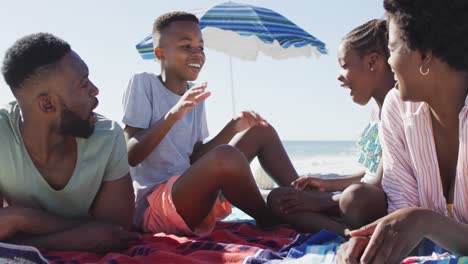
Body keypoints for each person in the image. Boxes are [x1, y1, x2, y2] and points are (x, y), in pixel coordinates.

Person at [122, 11, 299, 236]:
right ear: (160, 53)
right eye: (186, 46)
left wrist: (233, 127)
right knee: (226, 156)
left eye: (201, 47)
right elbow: (131, 155)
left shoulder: (192, 95)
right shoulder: (143, 83)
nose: (197, 54)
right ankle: (269, 219)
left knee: (260, 131)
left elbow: (195, 158)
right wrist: (174, 114)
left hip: (192, 190)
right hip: (156, 206)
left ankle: (302, 198)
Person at [337, 0, 468, 263]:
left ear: (424, 55)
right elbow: (403, 213)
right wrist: (369, 241)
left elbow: (416, 220)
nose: (390, 62)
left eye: (393, 48)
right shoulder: (397, 109)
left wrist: (424, 221)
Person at [0, 33, 139, 253]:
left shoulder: (108, 138)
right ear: (47, 105)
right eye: (83, 84)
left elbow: (115, 234)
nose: (95, 90)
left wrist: (22, 220)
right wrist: (24, 218)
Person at [267, 19, 394, 235]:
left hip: (384, 203)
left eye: (344, 66)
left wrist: (322, 202)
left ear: (373, 62)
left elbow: (381, 184)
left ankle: (349, 230)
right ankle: (347, 233)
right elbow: (371, 172)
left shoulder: (399, 108)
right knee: (279, 197)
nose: (339, 75)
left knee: (355, 198)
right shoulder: (375, 113)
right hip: (363, 200)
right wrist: (328, 185)